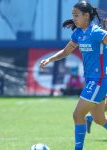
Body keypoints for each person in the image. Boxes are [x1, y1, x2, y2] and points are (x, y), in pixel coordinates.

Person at [40, 1, 107, 150]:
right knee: (99, 119)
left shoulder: (96, 32)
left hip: (99, 80)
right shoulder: (78, 33)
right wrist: (50, 59)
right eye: (73, 16)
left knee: (78, 115)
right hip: (92, 80)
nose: (74, 18)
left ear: (86, 15)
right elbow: (65, 52)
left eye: (76, 15)